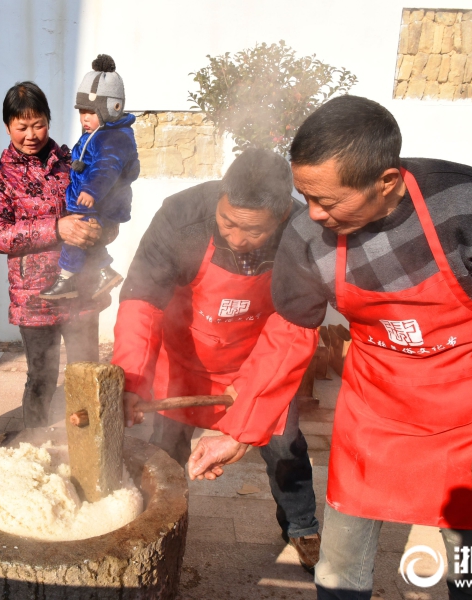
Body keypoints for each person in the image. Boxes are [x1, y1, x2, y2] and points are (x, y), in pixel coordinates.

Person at [188, 95, 472, 599]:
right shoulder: (307, 235)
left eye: (328, 201)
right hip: (374, 414)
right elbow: (291, 333)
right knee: (340, 571)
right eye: (305, 196)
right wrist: (239, 429)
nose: (313, 214)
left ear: (386, 182)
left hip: (471, 415)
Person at [113, 148, 322, 571]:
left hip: (257, 366)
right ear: (220, 199)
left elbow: (292, 330)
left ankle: (301, 526)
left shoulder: (303, 234)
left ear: (282, 214)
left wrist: (251, 405)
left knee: (286, 446)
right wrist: (131, 381)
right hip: (182, 359)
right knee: (165, 450)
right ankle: (161, 524)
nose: (237, 238)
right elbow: (142, 302)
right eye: (227, 222)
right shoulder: (182, 217)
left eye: (253, 230)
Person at [0, 81, 110, 428]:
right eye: (21, 127)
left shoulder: (72, 164)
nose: (31, 135)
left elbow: (102, 204)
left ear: (49, 121)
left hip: (81, 290)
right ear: (8, 126)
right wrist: (56, 228)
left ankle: (89, 442)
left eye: (38, 125)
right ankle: (34, 443)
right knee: (41, 377)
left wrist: (101, 228)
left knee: (86, 372)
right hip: (34, 298)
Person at [39, 55, 140, 301]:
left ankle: (66, 279)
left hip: (99, 201)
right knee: (88, 238)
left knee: (76, 236)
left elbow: (106, 168)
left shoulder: (113, 138)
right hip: (93, 201)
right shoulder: (99, 133)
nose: (85, 118)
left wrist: (91, 190)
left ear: (113, 108)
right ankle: (104, 272)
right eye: (82, 111)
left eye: (92, 112)